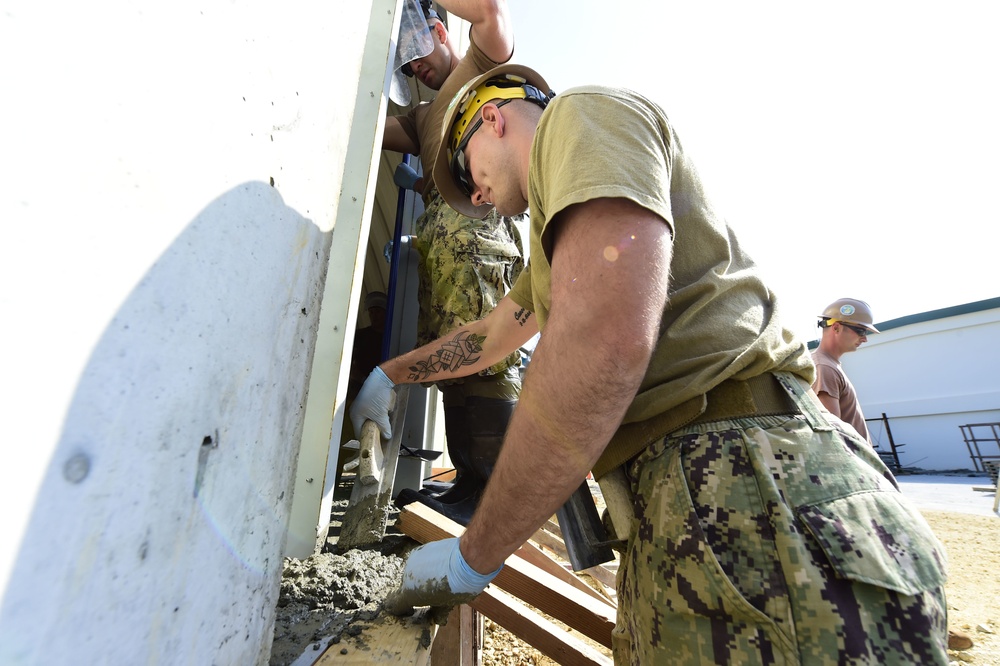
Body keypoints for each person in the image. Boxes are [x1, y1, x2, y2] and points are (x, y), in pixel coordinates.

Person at [353, 63, 950, 664]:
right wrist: (391, 374)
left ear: (493, 118)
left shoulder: (578, 115)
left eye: (466, 172)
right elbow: (488, 337)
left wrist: (473, 554)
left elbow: (602, 343)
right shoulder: (551, 251)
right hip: (692, 488)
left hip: (744, 475)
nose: (476, 197)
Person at [379, 0, 526, 525]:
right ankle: (469, 482)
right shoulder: (421, 118)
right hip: (443, 262)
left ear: (440, 31)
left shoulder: (476, 70)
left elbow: (491, 14)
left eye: (415, 55)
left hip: (478, 248)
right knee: (454, 368)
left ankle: (492, 492)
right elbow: (372, 131)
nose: (415, 69)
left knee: (486, 358)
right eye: (407, 66)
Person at [811, 298, 878, 444]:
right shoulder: (824, 367)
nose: (865, 338)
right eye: (861, 331)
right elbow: (834, 435)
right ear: (836, 328)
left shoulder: (829, 365)